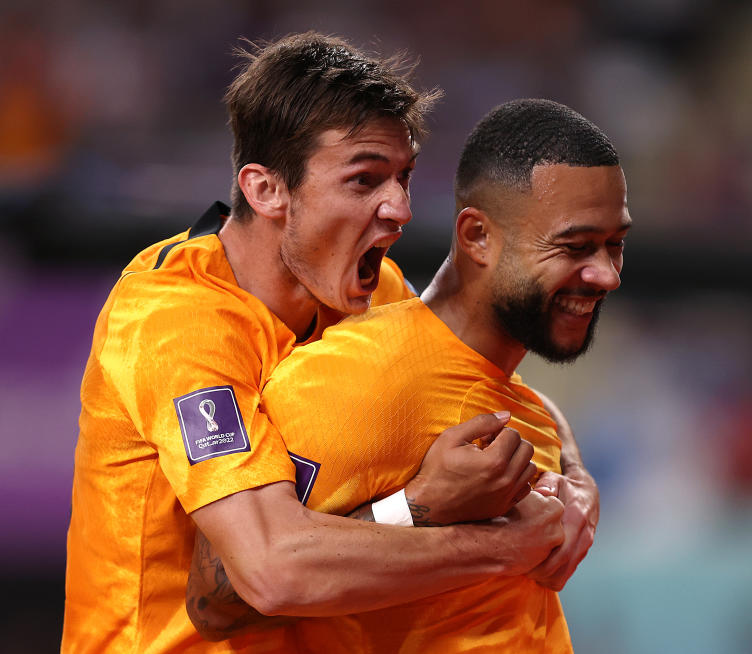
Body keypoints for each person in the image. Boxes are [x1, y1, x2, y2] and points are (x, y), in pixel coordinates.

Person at [63, 33, 598, 653]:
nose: (399, 208)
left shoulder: (375, 289)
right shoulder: (175, 321)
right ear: (266, 191)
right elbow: (269, 569)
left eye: (403, 177)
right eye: (364, 179)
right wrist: (461, 525)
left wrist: (575, 478)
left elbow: (494, 388)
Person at [186, 98, 630, 652]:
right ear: (477, 238)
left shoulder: (487, 379)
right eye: (575, 246)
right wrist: (419, 510)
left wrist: (578, 478)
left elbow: (503, 396)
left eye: (616, 244)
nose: (606, 275)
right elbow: (220, 596)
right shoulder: (358, 378)